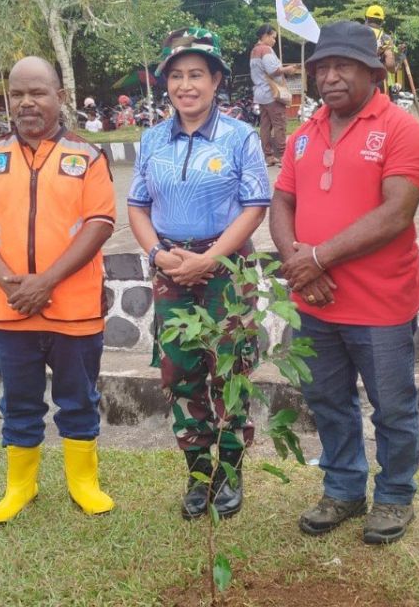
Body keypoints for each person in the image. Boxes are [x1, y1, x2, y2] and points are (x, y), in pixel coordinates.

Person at [270, 20, 419, 545]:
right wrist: (298, 260)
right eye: (322, 68)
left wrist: (315, 258)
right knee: (327, 401)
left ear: (374, 72)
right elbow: (282, 202)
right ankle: (342, 487)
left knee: (391, 406)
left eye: (344, 67)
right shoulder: (305, 132)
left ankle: (395, 495)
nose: (330, 77)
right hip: (314, 301)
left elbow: (395, 213)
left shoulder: (402, 130)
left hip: (380, 303)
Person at [0, 55, 117, 524]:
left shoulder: (87, 156)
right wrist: (12, 283)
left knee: (79, 399)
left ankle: (83, 483)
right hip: (9, 310)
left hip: (75, 309)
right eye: (17, 94)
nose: (27, 103)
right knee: (20, 402)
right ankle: (19, 487)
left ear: (60, 98)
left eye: (38, 92)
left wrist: (45, 282)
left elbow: (100, 224)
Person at [128, 28, 270, 521]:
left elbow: (255, 207)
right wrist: (157, 254)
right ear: (165, 82)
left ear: (215, 81)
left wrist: (210, 260)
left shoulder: (240, 137)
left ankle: (229, 472)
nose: (185, 85)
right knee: (182, 370)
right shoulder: (151, 140)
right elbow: (137, 207)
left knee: (230, 370)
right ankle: (197, 474)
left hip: (226, 267)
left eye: (196, 75)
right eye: (176, 75)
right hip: (169, 266)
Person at [250, 24, 299, 166]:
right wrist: (288, 69)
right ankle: (283, 156)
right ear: (265, 36)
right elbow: (273, 70)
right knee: (280, 124)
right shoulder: (266, 49)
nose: (274, 41)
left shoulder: (254, 50)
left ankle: (268, 156)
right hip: (272, 94)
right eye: (273, 37)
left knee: (265, 125)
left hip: (260, 93)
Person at [363, 5, 400, 90]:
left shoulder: (356, 35)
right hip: (377, 81)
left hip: (358, 79)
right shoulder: (385, 38)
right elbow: (390, 64)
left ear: (366, 19)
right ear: (382, 22)